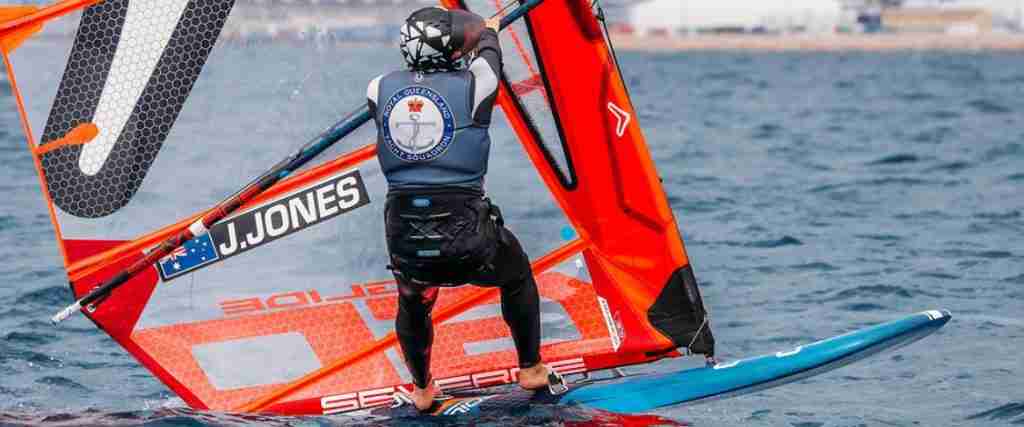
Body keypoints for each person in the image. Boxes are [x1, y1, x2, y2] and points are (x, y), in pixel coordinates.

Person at [366, 7, 564, 411]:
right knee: (516, 273)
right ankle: (531, 368)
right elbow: (488, 49)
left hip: (405, 236)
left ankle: (422, 390)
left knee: (413, 296)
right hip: (467, 239)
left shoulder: (377, 88)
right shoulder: (479, 83)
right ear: (451, 50)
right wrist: (488, 31)